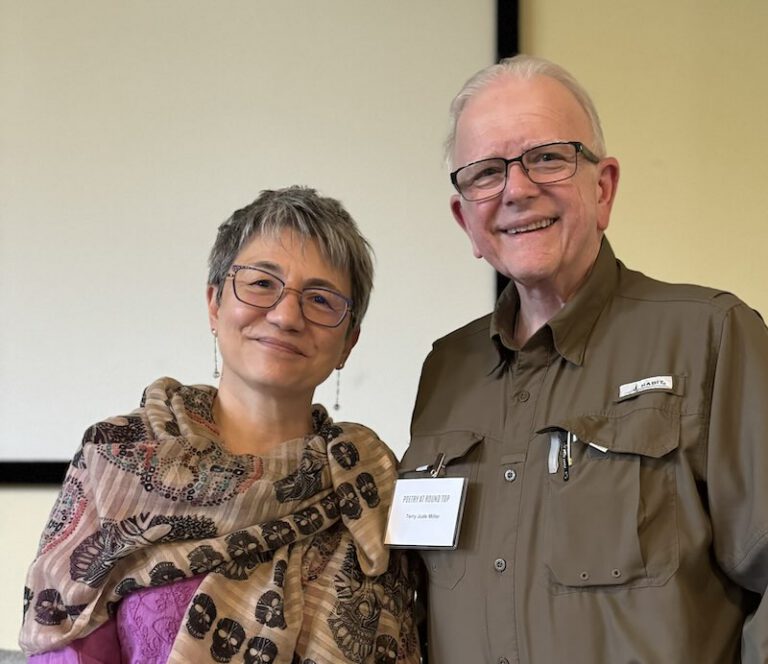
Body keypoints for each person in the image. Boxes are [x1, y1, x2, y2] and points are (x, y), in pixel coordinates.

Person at [401, 54, 768, 663]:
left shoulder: (713, 336)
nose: (516, 190)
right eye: (487, 172)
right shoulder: (445, 370)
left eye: (547, 157)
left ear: (603, 189)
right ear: (466, 219)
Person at [20, 186, 420, 663]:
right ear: (214, 303)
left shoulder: (372, 490)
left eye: (320, 299)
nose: (287, 315)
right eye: (261, 283)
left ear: (349, 341)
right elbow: (63, 642)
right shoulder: (117, 457)